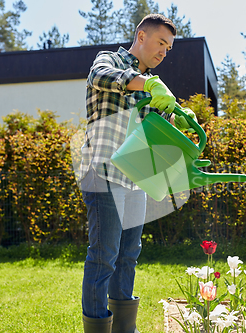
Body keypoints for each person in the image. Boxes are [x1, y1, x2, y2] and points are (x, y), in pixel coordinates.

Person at [79, 14, 196, 333]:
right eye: (161, 43)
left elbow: (152, 134)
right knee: (104, 256)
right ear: (141, 37)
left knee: (129, 254)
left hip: (136, 177)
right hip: (103, 174)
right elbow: (100, 76)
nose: (164, 52)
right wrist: (148, 84)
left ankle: (124, 329)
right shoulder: (111, 59)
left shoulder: (153, 85)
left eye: (169, 49)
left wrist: (179, 119)